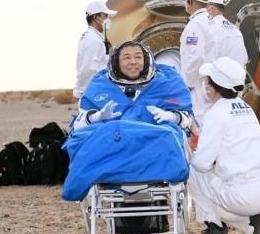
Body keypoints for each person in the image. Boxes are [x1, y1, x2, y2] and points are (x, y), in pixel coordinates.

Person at [63, 40, 194, 202]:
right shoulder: (101, 84)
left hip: (153, 145)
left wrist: (172, 117)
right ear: (116, 62)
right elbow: (79, 125)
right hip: (112, 144)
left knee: (170, 136)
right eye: (126, 57)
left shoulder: (167, 82)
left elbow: (188, 120)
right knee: (84, 138)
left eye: (138, 57)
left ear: (146, 60)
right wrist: (96, 117)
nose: (133, 62)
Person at [188, 56, 260, 234]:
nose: (205, 86)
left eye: (207, 82)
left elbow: (202, 163)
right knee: (222, 188)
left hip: (244, 196)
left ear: (213, 87)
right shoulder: (245, 108)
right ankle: (257, 224)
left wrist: (195, 149)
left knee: (194, 173)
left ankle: (216, 233)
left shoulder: (215, 113)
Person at [178, 0, 216, 126]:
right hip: (214, 81)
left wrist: (188, 83)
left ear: (190, 2)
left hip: (199, 85)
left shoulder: (195, 25)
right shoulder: (212, 21)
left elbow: (196, 57)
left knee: (201, 119)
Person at [73, 0, 118, 100]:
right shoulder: (93, 40)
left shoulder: (95, 37)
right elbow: (88, 68)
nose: (108, 19)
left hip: (97, 90)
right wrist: (80, 92)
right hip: (94, 93)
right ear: (95, 17)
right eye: (105, 15)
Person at [206, 0, 248, 68]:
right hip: (237, 73)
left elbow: (207, 60)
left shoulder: (211, 28)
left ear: (212, 8)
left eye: (205, 7)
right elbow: (244, 58)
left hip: (218, 73)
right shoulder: (234, 29)